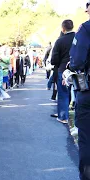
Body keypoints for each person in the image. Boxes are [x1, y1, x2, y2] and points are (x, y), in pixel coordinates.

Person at [69, 2, 90, 179]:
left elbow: (76, 60)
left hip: (89, 93)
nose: (86, 9)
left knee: (86, 139)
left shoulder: (86, 28)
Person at [51, 19, 75, 124]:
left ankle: (63, 116)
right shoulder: (78, 38)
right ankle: (62, 112)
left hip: (63, 69)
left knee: (63, 93)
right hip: (76, 68)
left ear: (63, 28)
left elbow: (54, 59)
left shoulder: (60, 40)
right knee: (74, 92)